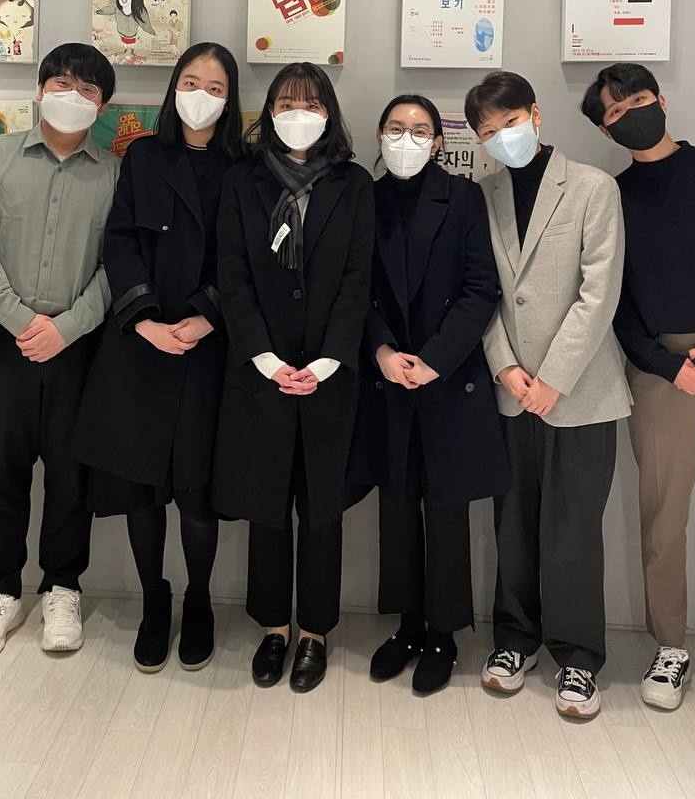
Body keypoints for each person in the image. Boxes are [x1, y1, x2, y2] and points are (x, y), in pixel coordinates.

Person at [581, 63, 695, 729]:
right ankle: (669, 649)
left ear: (660, 99)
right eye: (616, 109)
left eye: (638, 97)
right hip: (659, 375)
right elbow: (614, 300)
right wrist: (665, 364)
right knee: (662, 519)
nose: (632, 111)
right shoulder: (612, 197)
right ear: (605, 129)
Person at [73, 43, 243, 675]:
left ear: (230, 99)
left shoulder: (244, 167)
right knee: (140, 489)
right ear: (174, 88)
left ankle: (198, 598)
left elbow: (245, 259)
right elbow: (119, 242)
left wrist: (206, 316)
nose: (202, 95)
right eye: (191, 82)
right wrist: (144, 319)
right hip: (140, 343)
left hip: (208, 344)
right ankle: (154, 598)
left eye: (216, 87)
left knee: (197, 492)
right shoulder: (144, 155)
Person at [465, 71, 629, 720]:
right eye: (488, 131)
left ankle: (578, 656)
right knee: (513, 523)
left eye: (510, 122)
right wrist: (506, 368)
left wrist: (554, 377)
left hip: (581, 391)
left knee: (574, 526)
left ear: (534, 115)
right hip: (511, 391)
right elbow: (479, 291)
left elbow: (599, 292)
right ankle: (515, 640)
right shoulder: (483, 195)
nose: (502, 137)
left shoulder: (593, 188)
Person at [213, 63, 373, 693]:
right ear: (270, 112)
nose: (297, 114)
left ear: (329, 112)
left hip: (331, 375)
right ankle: (274, 627)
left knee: (322, 508)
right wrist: (266, 358)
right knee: (268, 505)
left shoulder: (354, 184)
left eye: (310, 103)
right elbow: (232, 277)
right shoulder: (242, 181)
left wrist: (329, 359)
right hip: (262, 372)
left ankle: (316, 632)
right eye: (285, 103)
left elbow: (358, 278)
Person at [0, 43, 119, 657]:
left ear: (102, 105)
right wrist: (23, 320)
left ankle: (62, 587)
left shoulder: (114, 173)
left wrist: (68, 327)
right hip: (6, 341)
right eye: (61, 84)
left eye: (87, 90)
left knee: (71, 474)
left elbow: (119, 261)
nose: (71, 97)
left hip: (81, 346)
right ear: (39, 89)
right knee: (1, 468)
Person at [349, 95, 509, 696]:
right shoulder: (365, 199)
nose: (407, 139)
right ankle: (408, 625)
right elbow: (354, 287)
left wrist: (435, 360)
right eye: (396, 128)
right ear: (379, 134)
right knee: (395, 507)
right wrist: (383, 352)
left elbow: (480, 288)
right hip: (387, 375)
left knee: (445, 511)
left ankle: (443, 634)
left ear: (440, 142)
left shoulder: (464, 198)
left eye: (420, 131)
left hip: (448, 376)